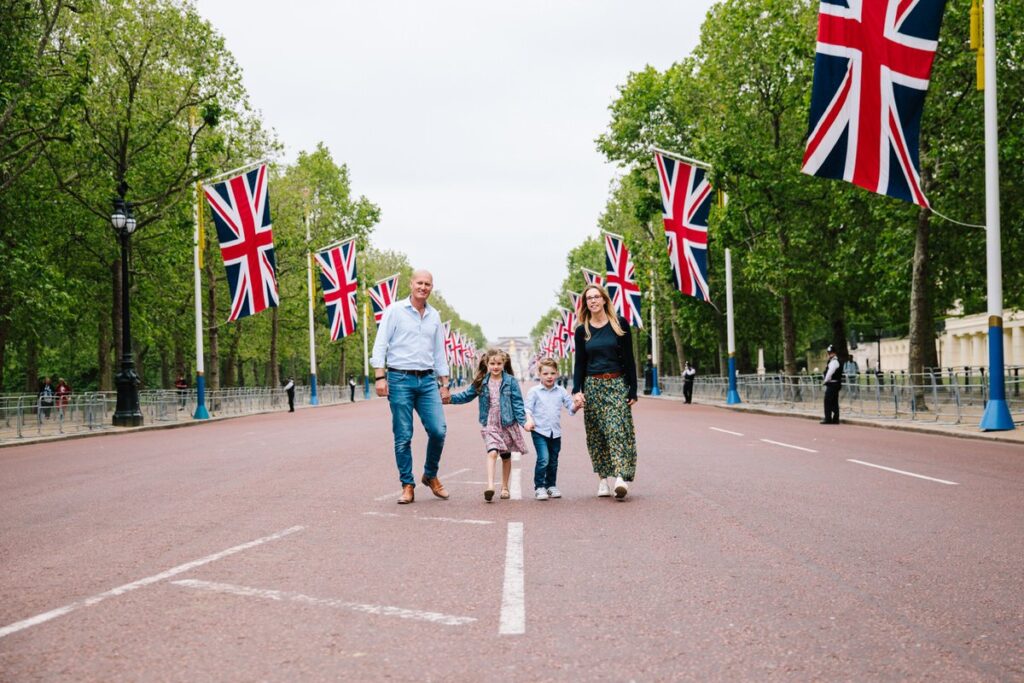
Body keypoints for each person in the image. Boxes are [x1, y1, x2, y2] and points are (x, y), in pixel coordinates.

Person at [370, 269, 451, 505]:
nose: (423, 287)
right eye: (419, 283)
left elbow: (439, 352)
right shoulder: (394, 311)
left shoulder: (434, 316)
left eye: (427, 284)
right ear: (411, 284)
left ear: (431, 287)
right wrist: (379, 376)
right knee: (403, 435)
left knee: (439, 430)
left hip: (427, 381)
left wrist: (444, 383)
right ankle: (407, 484)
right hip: (400, 379)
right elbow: (381, 343)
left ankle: (430, 474)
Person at [572, 284, 639, 500]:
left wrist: (633, 389)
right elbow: (580, 363)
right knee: (597, 433)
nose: (592, 301)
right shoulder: (583, 330)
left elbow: (629, 359)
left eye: (596, 297)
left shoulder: (619, 324)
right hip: (593, 385)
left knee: (617, 429)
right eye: (588, 298)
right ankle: (603, 479)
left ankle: (620, 477)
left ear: (604, 300)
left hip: (617, 383)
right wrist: (576, 389)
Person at [447, 348, 528, 502]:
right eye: (492, 363)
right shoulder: (481, 381)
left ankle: (504, 487)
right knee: (492, 452)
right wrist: (449, 399)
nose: (495, 366)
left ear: (504, 363)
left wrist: (524, 422)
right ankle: (490, 486)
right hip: (490, 422)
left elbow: (517, 404)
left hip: (507, 422)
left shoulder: (511, 381)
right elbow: (466, 395)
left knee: (505, 456)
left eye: (498, 363)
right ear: (487, 363)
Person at [524, 357, 576, 500]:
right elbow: (527, 408)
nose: (549, 376)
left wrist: (577, 405)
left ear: (557, 374)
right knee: (543, 459)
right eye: (546, 373)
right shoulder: (534, 391)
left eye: (552, 373)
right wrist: (529, 420)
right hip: (539, 431)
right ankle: (539, 487)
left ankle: (551, 485)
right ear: (539, 374)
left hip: (555, 432)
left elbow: (570, 408)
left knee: (553, 460)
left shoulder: (561, 391)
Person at [822, 345, 842, 424]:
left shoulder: (834, 361)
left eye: (831, 353)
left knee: (827, 401)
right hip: (834, 384)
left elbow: (830, 373)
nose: (830, 354)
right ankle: (835, 418)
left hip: (832, 383)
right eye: (829, 353)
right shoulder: (833, 361)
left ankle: (828, 418)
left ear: (834, 353)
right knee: (834, 401)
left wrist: (825, 381)